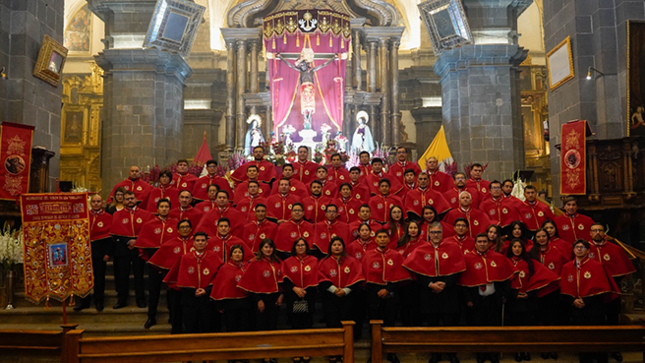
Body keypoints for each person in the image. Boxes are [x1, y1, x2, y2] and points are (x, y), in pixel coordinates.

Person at [403, 222, 465, 363]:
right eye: (433, 232)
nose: (436, 235)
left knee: (450, 325)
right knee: (433, 325)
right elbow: (416, 271)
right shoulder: (421, 249)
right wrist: (430, 284)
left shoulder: (453, 248)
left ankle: (451, 354)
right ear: (429, 234)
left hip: (448, 292)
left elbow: (459, 269)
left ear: (442, 233)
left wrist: (446, 283)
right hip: (429, 292)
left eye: (438, 232)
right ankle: (435, 353)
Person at [560, 239, 619, 363]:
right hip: (576, 310)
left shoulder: (597, 266)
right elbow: (565, 288)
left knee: (597, 339)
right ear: (573, 249)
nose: (579, 249)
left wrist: (586, 301)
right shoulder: (567, 267)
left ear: (587, 250)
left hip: (594, 309)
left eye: (582, 247)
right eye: (577, 247)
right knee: (581, 339)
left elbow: (602, 288)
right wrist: (573, 301)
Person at [459, 233, 514, 363]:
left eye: (485, 241)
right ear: (475, 243)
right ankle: (481, 354)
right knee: (478, 328)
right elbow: (463, 282)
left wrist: (504, 295)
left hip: (493, 300)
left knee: (493, 328)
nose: (482, 244)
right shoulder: (467, 258)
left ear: (489, 244)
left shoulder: (498, 258)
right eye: (480, 241)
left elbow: (506, 279)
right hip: (476, 301)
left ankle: (493, 354)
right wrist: (468, 299)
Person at [505, 238, 559, 362]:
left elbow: (537, 279)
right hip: (514, 301)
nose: (517, 249)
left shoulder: (530, 262)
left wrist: (528, 293)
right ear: (511, 249)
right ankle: (517, 351)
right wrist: (514, 294)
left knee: (527, 327)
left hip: (528, 300)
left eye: (519, 247)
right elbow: (504, 281)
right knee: (515, 327)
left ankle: (526, 350)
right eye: (514, 247)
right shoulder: (506, 261)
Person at [362, 230, 409, 363]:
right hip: (373, 295)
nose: (382, 239)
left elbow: (399, 276)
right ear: (375, 239)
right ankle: (374, 353)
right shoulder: (368, 255)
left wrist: (387, 289)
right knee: (374, 325)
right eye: (380, 237)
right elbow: (365, 277)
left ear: (388, 240)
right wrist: (377, 291)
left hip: (391, 294)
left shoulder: (396, 255)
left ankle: (391, 352)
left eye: (384, 237)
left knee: (390, 324)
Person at [164, 231, 223, 333]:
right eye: (198, 240)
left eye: (203, 241)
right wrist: (192, 291)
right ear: (194, 243)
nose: (200, 243)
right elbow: (182, 277)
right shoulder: (185, 258)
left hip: (207, 300)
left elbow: (219, 277)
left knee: (208, 327)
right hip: (189, 300)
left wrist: (206, 290)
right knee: (191, 328)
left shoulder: (214, 257)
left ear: (207, 243)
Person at [133, 199, 178, 328]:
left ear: (170, 209)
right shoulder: (149, 225)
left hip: (170, 263)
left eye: (166, 207)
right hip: (154, 262)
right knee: (154, 291)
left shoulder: (175, 224)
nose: (164, 209)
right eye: (162, 207)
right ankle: (151, 316)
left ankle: (173, 316)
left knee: (171, 291)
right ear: (157, 209)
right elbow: (143, 243)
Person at [237, 238, 284, 363]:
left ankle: (272, 352)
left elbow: (282, 280)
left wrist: (281, 295)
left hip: (275, 298)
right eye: (265, 247)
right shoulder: (255, 263)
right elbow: (251, 283)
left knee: (272, 326)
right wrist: (258, 300)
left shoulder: (278, 262)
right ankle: (263, 353)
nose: (268, 249)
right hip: (260, 299)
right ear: (261, 249)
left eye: (270, 247)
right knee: (261, 326)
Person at [148, 219, 195, 334]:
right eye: (182, 227)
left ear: (191, 229)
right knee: (175, 311)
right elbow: (159, 262)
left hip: (192, 284)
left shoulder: (197, 242)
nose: (185, 229)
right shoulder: (169, 244)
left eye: (187, 227)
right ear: (178, 230)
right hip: (175, 284)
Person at [109, 191, 153, 309]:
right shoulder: (117, 215)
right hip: (123, 249)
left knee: (139, 276)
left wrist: (136, 242)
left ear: (136, 199)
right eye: (127, 199)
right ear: (123, 201)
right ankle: (122, 299)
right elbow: (115, 232)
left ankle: (140, 299)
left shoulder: (146, 214)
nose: (129, 201)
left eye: (131, 198)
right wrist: (128, 242)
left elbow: (148, 231)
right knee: (123, 276)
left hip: (139, 249)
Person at [318, 237, 365, 347]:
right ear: (330, 247)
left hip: (348, 298)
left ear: (343, 247)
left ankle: (347, 348)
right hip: (330, 298)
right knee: (332, 322)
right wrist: (334, 290)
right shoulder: (324, 262)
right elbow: (321, 278)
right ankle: (333, 349)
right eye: (334, 245)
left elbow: (357, 278)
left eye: (339, 244)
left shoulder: (352, 261)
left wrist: (345, 290)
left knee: (347, 321)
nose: (337, 247)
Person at [529, 228, 568, 356]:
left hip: (553, 291)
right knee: (539, 320)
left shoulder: (557, 252)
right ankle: (542, 348)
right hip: (536, 291)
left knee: (552, 319)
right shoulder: (531, 253)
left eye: (543, 236)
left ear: (548, 237)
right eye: (538, 236)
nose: (541, 239)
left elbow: (564, 269)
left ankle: (552, 346)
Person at [276, 50, 338, 129]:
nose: (302, 67)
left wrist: (333, 58)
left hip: (310, 89)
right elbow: (290, 65)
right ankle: (306, 120)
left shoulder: (311, 70)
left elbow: (323, 65)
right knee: (305, 106)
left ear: (306, 64)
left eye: (303, 65)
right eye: (301, 66)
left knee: (310, 106)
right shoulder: (301, 71)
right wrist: (280, 57)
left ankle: (309, 120)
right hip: (304, 90)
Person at [282, 238, 319, 363]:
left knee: (307, 325)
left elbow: (316, 278)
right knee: (295, 326)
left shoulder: (314, 261)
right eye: (298, 245)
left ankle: (306, 351)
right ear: (294, 247)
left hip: (309, 296)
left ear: (306, 247)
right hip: (293, 297)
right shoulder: (287, 262)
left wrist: (305, 291)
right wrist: (295, 289)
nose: (300, 247)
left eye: (303, 245)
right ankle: (296, 351)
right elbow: (285, 280)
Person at [75, 194, 112, 312]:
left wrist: (107, 253)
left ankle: (99, 301)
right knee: (84, 277)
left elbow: (110, 238)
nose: (96, 203)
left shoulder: (108, 217)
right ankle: (84, 301)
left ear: (102, 203)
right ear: (91, 203)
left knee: (99, 277)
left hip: (101, 250)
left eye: (98, 201)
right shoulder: (84, 216)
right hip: (85, 250)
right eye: (94, 201)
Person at [211, 244, 253, 332]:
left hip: (246, 303)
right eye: (235, 252)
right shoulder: (224, 268)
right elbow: (219, 287)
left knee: (245, 328)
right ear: (231, 255)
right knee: (231, 328)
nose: (237, 254)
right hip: (230, 305)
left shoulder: (248, 267)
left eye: (240, 252)